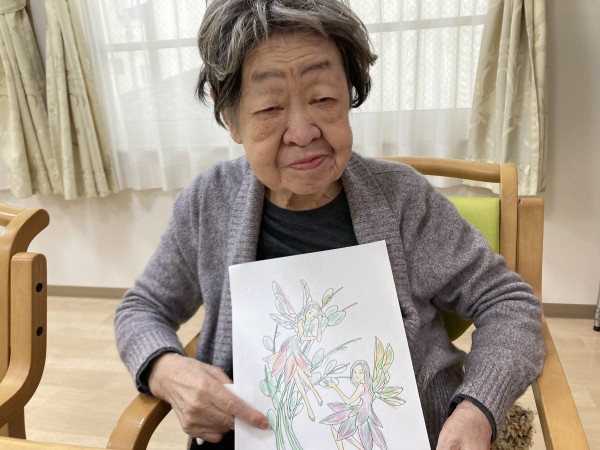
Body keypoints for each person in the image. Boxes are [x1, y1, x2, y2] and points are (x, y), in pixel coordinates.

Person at [114, 0, 544, 449]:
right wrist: (166, 369)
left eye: (323, 98)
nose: (303, 132)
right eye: (269, 108)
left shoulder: (402, 199)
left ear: (349, 97)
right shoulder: (209, 202)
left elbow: (507, 302)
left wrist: (477, 408)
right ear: (231, 120)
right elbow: (141, 309)